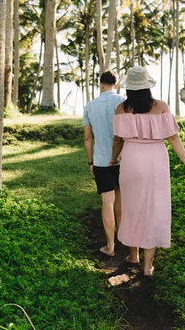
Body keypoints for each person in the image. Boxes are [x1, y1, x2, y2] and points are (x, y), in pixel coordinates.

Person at [110, 66, 185, 276]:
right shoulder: (161, 107)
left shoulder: (121, 109)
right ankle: (148, 266)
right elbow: (173, 138)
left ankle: (133, 255)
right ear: (148, 87)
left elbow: (118, 140)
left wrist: (113, 159)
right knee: (154, 209)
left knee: (132, 206)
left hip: (131, 160)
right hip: (156, 160)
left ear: (129, 88)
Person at [83, 70, 126, 257]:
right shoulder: (123, 101)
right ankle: (123, 238)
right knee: (121, 199)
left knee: (107, 202)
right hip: (123, 159)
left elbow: (87, 137)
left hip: (101, 161)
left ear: (101, 85)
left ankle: (110, 246)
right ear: (116, 85)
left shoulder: (90, 106)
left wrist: (91, 161)